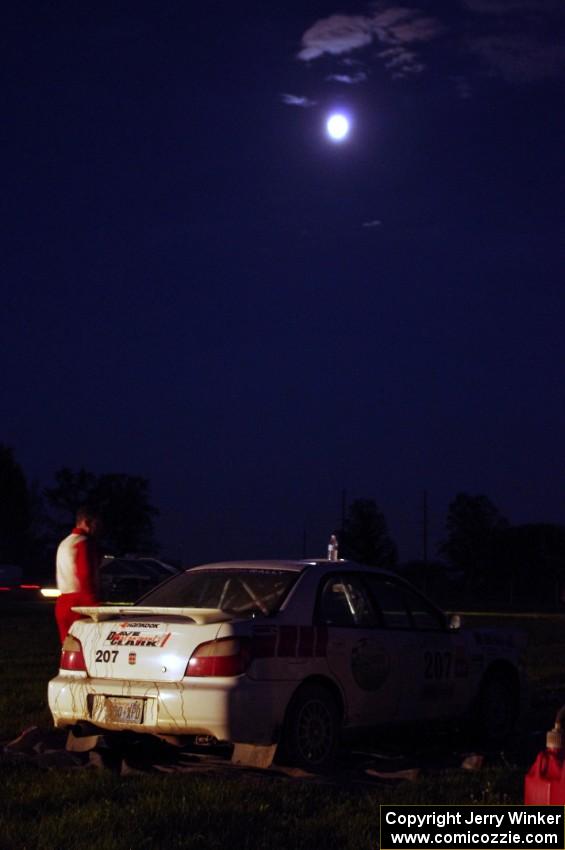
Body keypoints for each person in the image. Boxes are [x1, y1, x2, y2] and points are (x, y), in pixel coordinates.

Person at [55, 505, 101, 643]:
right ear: (87, 522)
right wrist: (97, 607)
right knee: (89, 650)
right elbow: (85, 576)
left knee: (70, 651)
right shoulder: (85, 543)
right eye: (97, 524)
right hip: (80, 606)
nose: (99, 529)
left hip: (62, 604)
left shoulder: (64, 543)